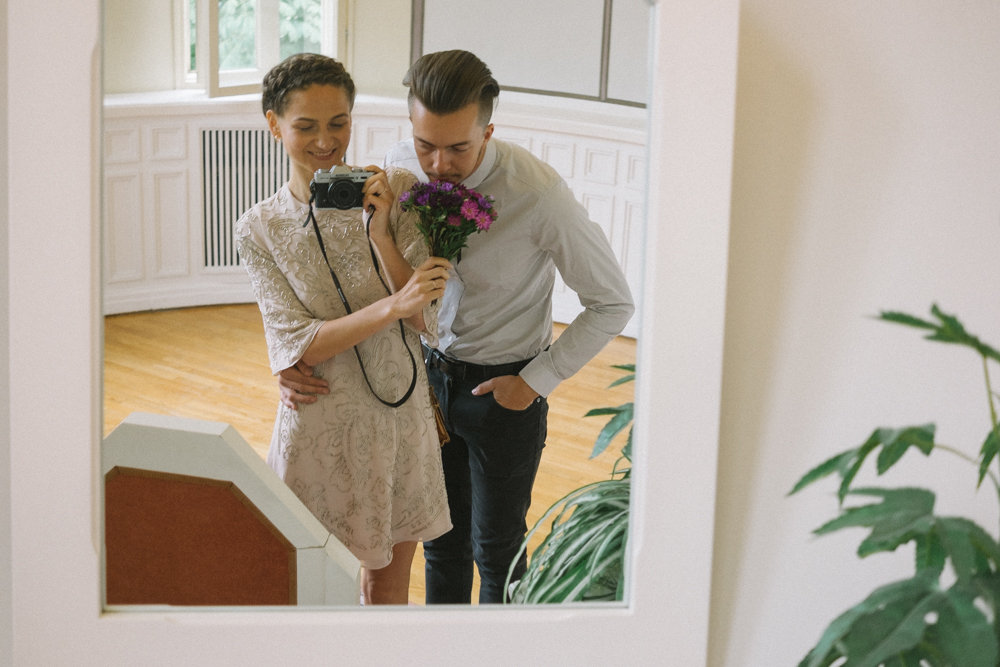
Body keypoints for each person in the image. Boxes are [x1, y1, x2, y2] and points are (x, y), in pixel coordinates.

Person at [279, 50, 635, 604]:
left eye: (458, 148)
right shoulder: (401, 170)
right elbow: (369, 288)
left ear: (488, 131)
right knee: (440, 545)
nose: (438, 164)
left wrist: (535, 381)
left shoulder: (538, 194)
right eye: (426, 144)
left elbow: (612, 302)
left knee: (498, 553)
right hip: (424, 387)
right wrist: (291, 360)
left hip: (505, 394)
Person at [234, 53, 453, 605]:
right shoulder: (258, 228)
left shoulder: (397, 190)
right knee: (302, 578)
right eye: (305, 126)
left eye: (339, 123)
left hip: (399, 419)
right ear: (273, 123)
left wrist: (381, 236)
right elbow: (297, 341)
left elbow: (427, 319)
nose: (325, 141)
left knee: (386, 582)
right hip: (318, 419)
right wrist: (390, 306)